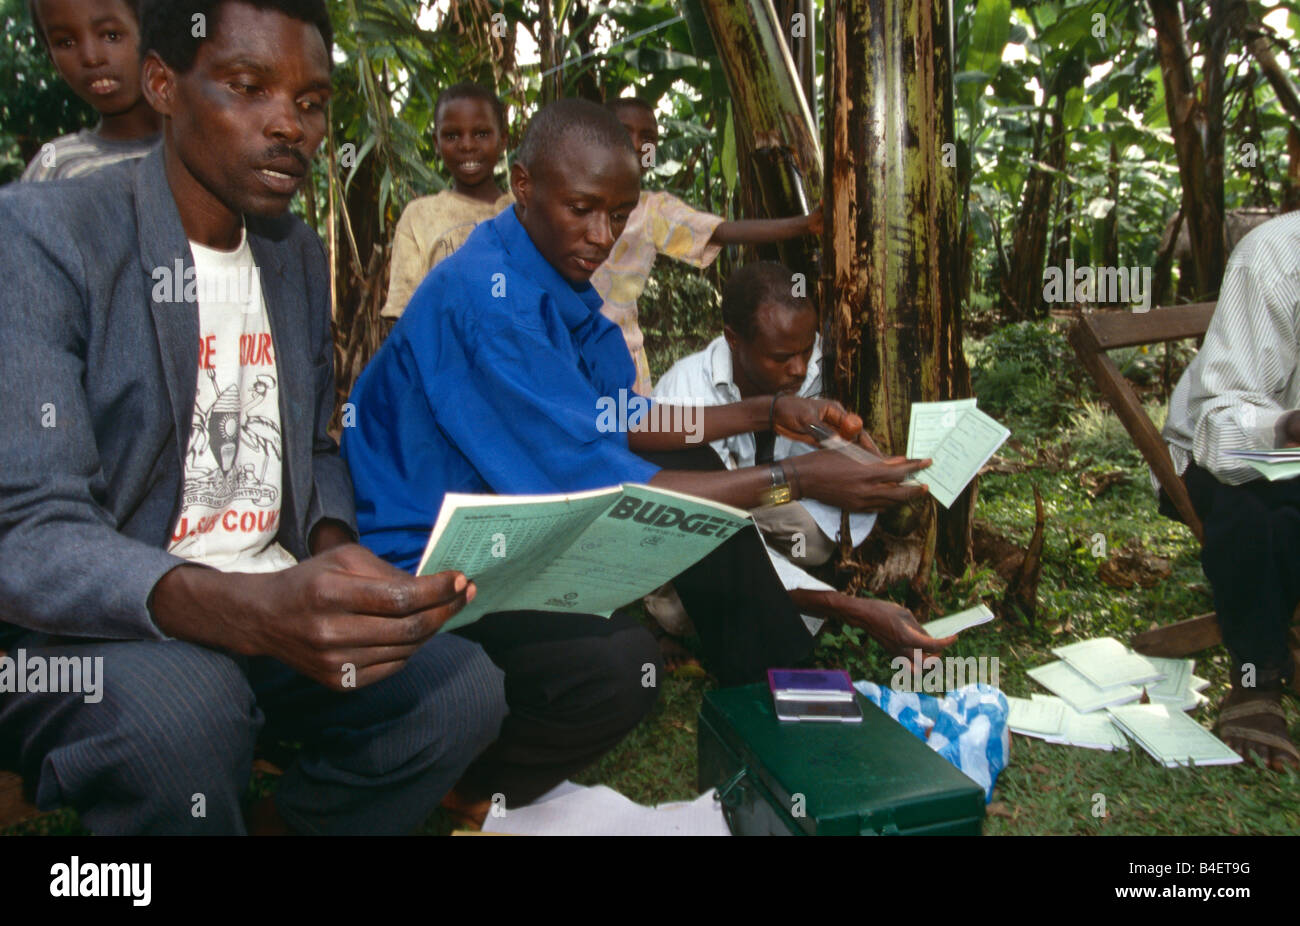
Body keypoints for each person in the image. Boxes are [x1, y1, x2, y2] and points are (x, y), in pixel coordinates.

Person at [0, 0, 508, 836]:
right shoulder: (46, 236)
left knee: (460, 691)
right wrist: (248, 611)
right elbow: (27, 528)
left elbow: (312, 450)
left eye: (311, 103)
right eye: (248, 87)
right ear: (164, 84)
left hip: (266, 600)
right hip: (96, 626)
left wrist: (339, 560)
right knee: (186, 715)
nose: (290, 126)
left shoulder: (293, 256)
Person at [342, 99, 931, 818]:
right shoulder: (487, 299)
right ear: (522, 185)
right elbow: (618, 482)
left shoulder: (554, 279)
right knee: (626, 669)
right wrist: (796, 477)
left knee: (710, 479)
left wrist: (772, 412)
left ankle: (786, 699)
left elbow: (626, 418)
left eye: (618, 215)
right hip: (426, 554)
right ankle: (463, 787)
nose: (601, 237)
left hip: (508, 527)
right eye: (583, 209)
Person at [652, 261, 955, 664]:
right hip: (699, 525)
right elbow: (702, 520)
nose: (798, 369)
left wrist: (860, 461)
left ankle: (790, 584)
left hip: (770, 508)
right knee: (688, 593)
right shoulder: (684, 394)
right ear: (733, 340)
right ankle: (760, 601)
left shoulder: (822, 370)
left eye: (806, 349)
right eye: (781, 357)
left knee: (808, 536)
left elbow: (812, 479)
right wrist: (848, 608)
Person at [1162, 210, 1300, 771]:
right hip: (1230, 450)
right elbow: (1221, 430)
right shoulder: (1275, 259)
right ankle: (1256, 679)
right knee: (1261, 508)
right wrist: (1289, 429)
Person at [593, 96, 822, 395]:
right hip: (561, 353)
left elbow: (721, 231)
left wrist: (804, 225)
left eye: (648, 139)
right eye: (624, 132)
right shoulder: (555, 200)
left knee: (623, 435)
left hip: (622, 357)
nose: (637, 145)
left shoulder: (652, 211)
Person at [381, 82, 514, 319]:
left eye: (481, 133)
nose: (467, 145)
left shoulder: (526, 213)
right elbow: (404, 316)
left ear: (503, 139)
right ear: (436, 143)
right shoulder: (420, 217)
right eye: (452, 135)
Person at [21, 0, 161, 181]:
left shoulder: (199, 147)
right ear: (52, 59)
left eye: (111, 35)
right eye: (66, 42)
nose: (91, 57)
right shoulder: (55, 167)